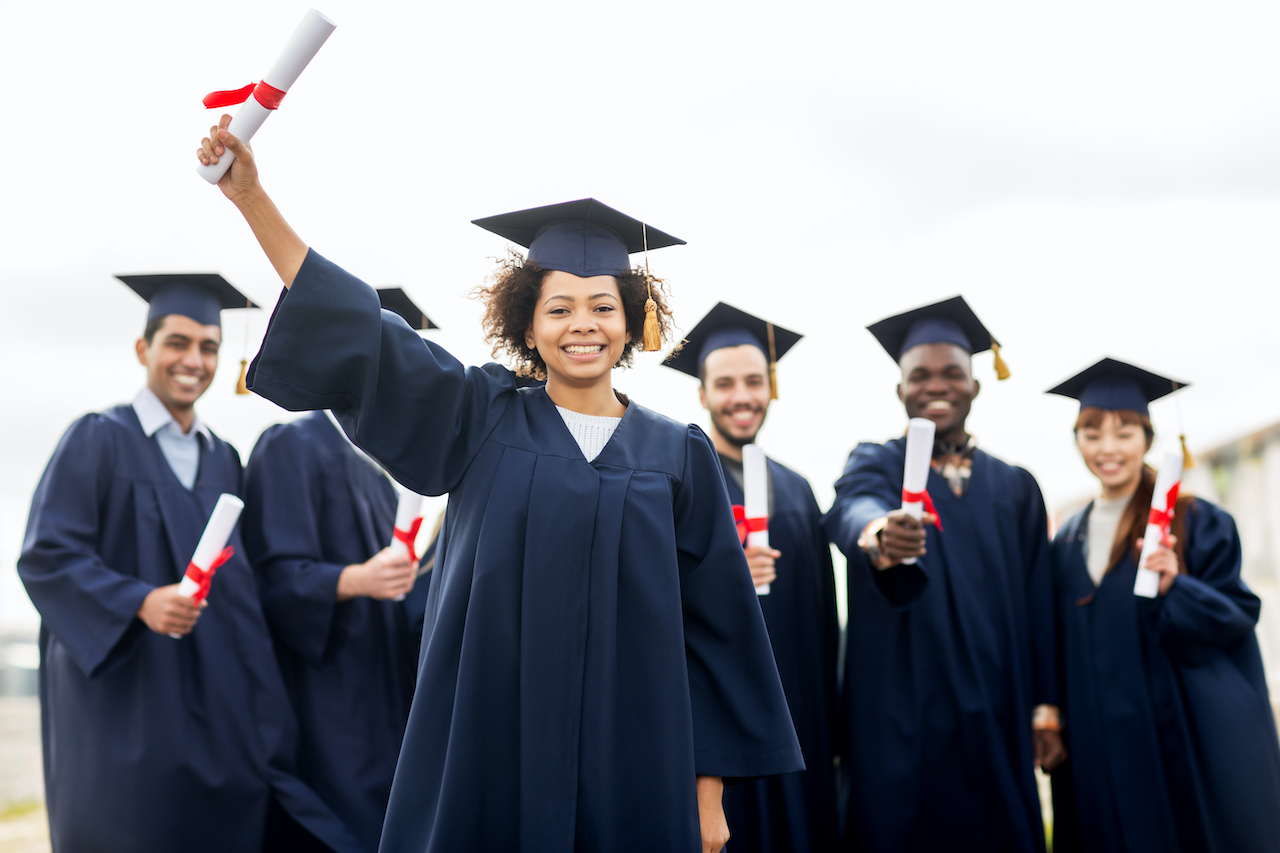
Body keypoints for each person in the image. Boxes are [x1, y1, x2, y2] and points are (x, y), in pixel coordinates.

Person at [197, 116, 802, 853]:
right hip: (492, 749)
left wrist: (709, 798)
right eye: (560, 307)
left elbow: (720, 632)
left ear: (632, 320)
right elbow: (366, 332)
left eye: (603, 306)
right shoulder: (479, 416)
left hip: (637, 762)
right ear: (528, 320)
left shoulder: (678, 455)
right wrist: (253, 200)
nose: (584, 324)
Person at [17, 274, 363, 853]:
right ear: (143, 349)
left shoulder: (224, 458)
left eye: (208, 347)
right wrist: (140, 601)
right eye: (177, 342)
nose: (193, 360)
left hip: (213, 705)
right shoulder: (97, 440)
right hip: (128, 702)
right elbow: (48, 557)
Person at [821, 296, 1061, 853]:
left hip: (995, 705)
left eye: (953, 374)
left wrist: (1044, 707)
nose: (937, 386)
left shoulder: (1015, 486)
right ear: (899, 389)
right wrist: (879, 534)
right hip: (903, 709)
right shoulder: (877, 463)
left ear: (976, 385)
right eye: (920, 376)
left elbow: (1039, 600)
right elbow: (850, 509)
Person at [1045, 357, 1280, 853]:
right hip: (1099, 738)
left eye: (1124, 432)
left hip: (1174, 734)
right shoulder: (1067, 537)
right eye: (1092, 433)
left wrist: (1177, 584)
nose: (1107, 448)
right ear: (1078, 441)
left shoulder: (1194, 520)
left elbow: (1236, 613)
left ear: (1148, 439)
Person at [240, 287, 439, 853]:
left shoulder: (379, 473)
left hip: (381, 700)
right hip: (325, 704)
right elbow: (269, 580)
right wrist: (356, 580)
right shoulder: (291, 445)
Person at [665, 302, 840, 853]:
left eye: (753, 382)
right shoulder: (675, 484)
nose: (742, 397)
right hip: (718, 732)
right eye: (725, 384)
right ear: (702, 394)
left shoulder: (797, 490)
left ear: (771, 386)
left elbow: (822, 616)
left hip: (799, 716)